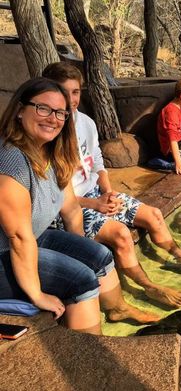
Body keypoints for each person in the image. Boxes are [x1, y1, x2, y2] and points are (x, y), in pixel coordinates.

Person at [43, 62, 181, 310]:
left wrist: (107, 191)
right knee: (122, 235)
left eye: (76, 92)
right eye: (63, 92)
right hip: (70, 207)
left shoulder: (87, 123)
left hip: (96, 194)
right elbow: (55, 194)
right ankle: (150, 288)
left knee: (154, 215)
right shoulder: (48, 132)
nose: (71, 100)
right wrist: (95, 204)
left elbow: (98, 163)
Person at [0, 78, 159, 335]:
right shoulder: (10, 161)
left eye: (60, 113)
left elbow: (72, 210)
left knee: (99, 255)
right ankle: (86, 356)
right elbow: (18, 236)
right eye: (43, 108)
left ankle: (117, 309)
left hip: (34, 238)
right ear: (20, 110)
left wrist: (83, 250)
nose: (53, 118)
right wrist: (36, 293)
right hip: (6, 251)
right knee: (80, 280)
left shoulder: (51, 153)